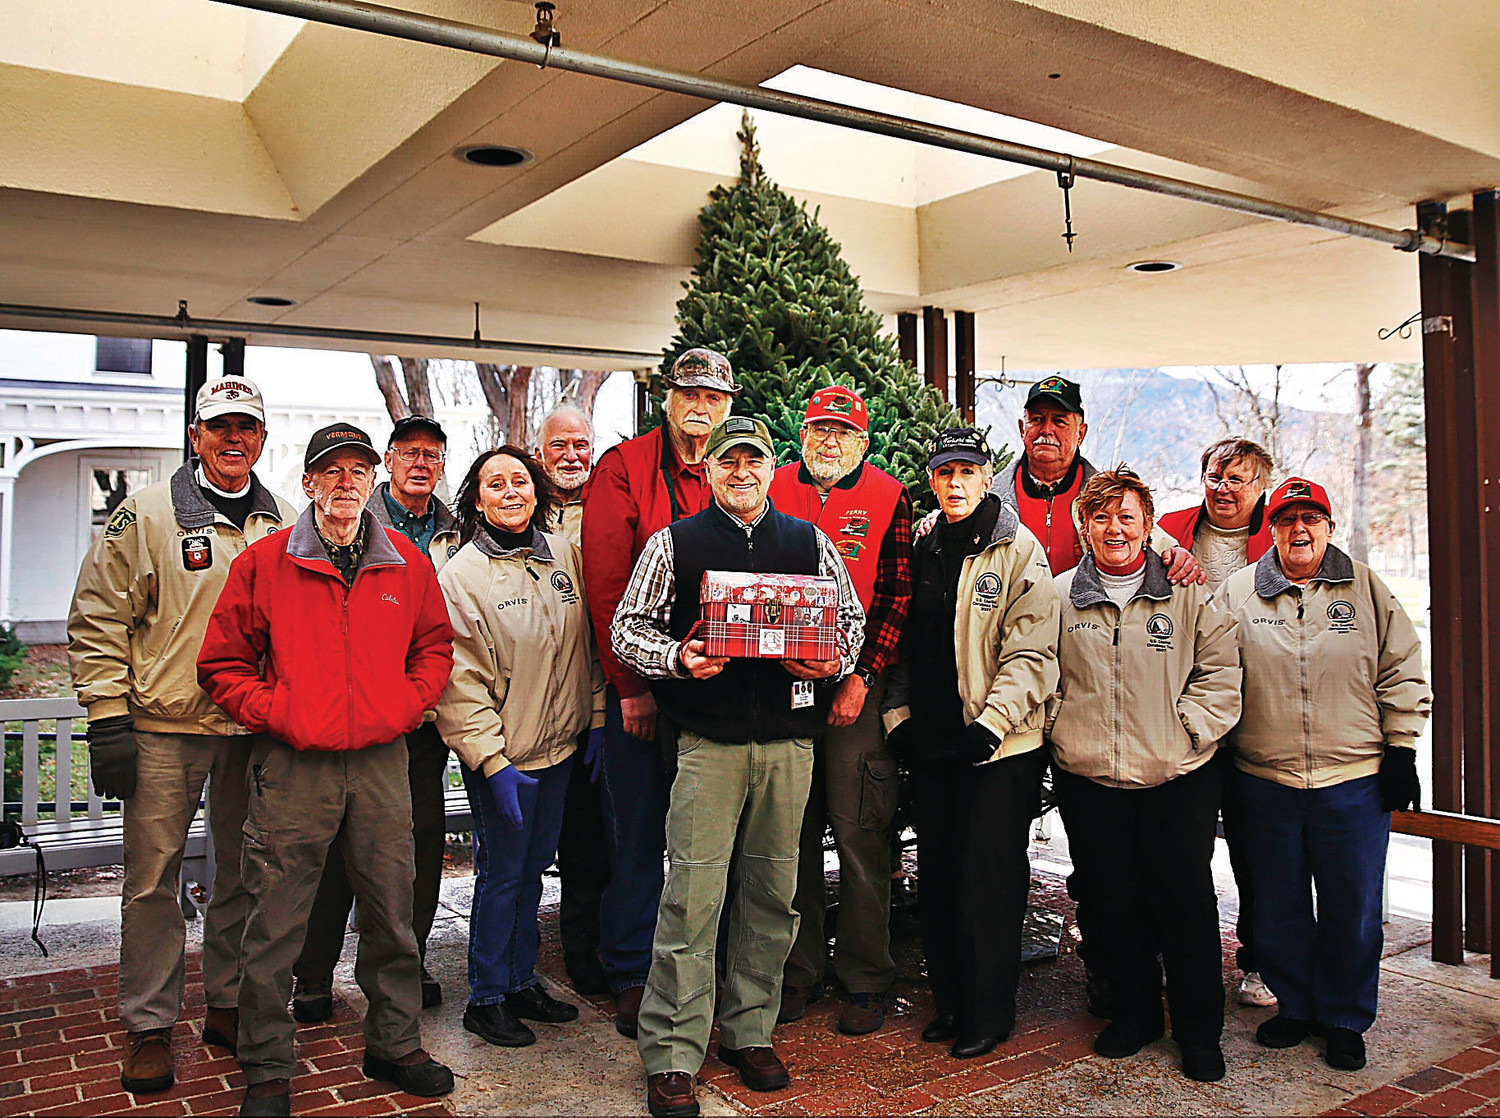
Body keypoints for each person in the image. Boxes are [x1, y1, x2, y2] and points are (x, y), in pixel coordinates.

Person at [197, 423, 456, 1117]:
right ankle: (267, 1064)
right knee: (276, 919)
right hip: (294, 766)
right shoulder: (264, 563)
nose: (346, 482)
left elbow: (434, 649)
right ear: (308, 482)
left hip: (380, 762)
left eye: (357, 470)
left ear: (373, 480)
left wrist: (404, 705)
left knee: (392, 914)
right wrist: (277, 711)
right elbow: (220, 664)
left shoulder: (406, 560)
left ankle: (394, 1042)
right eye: (331, 471)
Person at [612, 416, 864, 1118]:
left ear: (771, 468)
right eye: (730, 462)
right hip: (709, 745)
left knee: (772, 895)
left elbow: (850, 620)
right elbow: (627, 627)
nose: (742, 472)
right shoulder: (677, 543)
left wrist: (832, 660)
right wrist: (678, 659)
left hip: (789, 743)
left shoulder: (806, 542)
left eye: (754, 460)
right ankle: (670, 1054)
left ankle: (749, 1032)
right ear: (711, 468)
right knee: (691, 899)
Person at [67, 376, 294, 1096]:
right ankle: (149, 1024)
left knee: (244, 873)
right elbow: (99, 616)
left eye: (247, 429)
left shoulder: (286, 519)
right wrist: (107, 717)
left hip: (249, 729)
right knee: (152, 882)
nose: (234, 440)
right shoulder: (147, 514)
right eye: (220, 427)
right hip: (165, 727)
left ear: (261, 439)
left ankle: (226, 1003)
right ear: (196, 435)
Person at [1222, 477, 1430, 1073]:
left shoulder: (1366, 589)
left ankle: (1343, 1015)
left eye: (1311, 518)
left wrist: (1402, 748)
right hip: (1265, 780)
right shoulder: (1240, 593)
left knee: (1353, 906)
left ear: (1329, 527)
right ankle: (1295, 1005)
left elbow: (1402, 668)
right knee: (1277, 904)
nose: (1300, 529)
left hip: (1354, 781)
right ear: (1274, 529)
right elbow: (1214, 673)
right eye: (1288, 520)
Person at [1049, 468, 1241, 1083]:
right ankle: (1135, 1016)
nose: (1114, 529)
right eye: (1101, 517)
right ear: (1084, 526)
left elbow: (1220, 672)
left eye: (1127, 517)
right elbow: (1038, 670)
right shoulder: (1057, 598)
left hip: (1175, 776)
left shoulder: (1188, 594)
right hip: (1090, 779)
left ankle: (1197, 1030)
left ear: (1147, 524)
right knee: (1112, 902)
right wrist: (1062, 728)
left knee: (1183, 903)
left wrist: (1187, 729)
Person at [881, 427, 1059, 1059]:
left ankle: (989, 1013)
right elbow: (902, 634)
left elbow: (1034, 649)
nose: (955, 484)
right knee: (940, 879)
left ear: (987, 477)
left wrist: (993, 721)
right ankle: (950, 1003)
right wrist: (897, 714)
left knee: (988, 882)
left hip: (997, 748)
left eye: (967, 472)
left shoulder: (1017, 549)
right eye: (944, 474)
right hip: (932, 744)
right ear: (932, 481)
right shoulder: (924, 544)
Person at [580, 348, 735, 1037]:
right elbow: (609, 586)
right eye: (689, 394)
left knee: (707, 838)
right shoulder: (622, 470)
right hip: (645, 686)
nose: (700, 407)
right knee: (639, 835)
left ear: (727, 406)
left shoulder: (736, 463)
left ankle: (707, 968)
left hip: (717, 690)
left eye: (714, 398)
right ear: (666, 398)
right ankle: (630, 972)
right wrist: (632, 689)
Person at [435, 445, 604, 1049]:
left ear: (535, 490)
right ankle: (487, 996)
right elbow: (459, 680)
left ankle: (519, 978)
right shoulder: (462, 577)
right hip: (504, 760)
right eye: (494, 484)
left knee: (534, 871)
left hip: (561, 749)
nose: (511, 492)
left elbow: (587, 645)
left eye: (519, 482)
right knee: (502, 874)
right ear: (477, 500)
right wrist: (489, 759)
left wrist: (598, 718)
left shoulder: (563, 555)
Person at [292, 414, 460, 1021]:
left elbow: (440, 635)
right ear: (388, 461)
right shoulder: (353, 523)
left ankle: (404, 962)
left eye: (433, 456)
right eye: (410, 452)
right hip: (333, 722)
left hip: (415, 722)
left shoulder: (456, 530)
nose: (422, 463)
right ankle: (311, 974)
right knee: (334, 853)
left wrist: (415, 699)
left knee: (413, 847)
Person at [770, 385, 912, 1036]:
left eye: (842, 432)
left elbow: (895, 597)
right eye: (819, 429)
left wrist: (862, 677)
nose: (830, 441)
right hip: (780, 689)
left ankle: (865, 978)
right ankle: (796, 973)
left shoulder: (888, 495)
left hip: (857, 687)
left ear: (863, 440)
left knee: (860, 834)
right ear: (803, 433)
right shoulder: (767, 485)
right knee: (787, 834)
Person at [1159, 437, 1275, 1008]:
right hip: (1184, 712)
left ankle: (1260, 961)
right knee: (1180, 848)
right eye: (1214, 476)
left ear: (1261, 487)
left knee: (1255, 851)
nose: (1224, 488)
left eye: (1239, 479)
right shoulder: (1170, 529)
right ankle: (1168, 952)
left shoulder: (1279, 536)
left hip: (1255, 714)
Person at [537, 404, 611, 996]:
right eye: (559, 445)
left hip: (606, 694)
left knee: (599, 835)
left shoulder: (610, 507)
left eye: (581, 445)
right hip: (541, 702)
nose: (571, 456)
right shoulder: (522, 512)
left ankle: (593, 948)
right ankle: (534, 953)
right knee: (542, 839)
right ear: (542, 453)